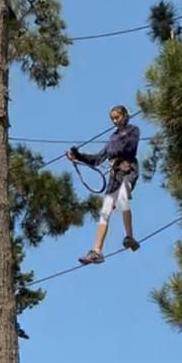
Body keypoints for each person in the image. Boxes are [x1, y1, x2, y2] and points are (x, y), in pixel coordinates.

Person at [68, 105, 140, 265]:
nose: (115, 121)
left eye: (118, 117)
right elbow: (96, 159)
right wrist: (78, 155)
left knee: (123, 198)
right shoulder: (111, 139)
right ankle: (97, 251)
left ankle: (129, 236)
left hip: (128, 170)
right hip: (114, 176)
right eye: (113, 119)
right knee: (105, 210)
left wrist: (115, 153)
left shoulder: (133, 131)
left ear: (125, 116)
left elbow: (129, 147)